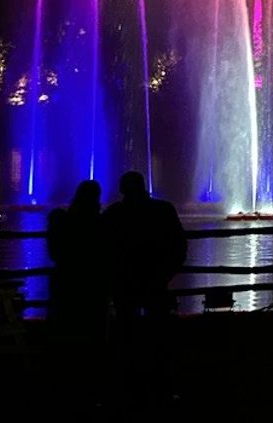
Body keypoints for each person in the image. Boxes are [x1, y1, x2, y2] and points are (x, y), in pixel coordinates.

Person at [102, 171, 187, 402]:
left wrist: (113, 275)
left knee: (125, 331)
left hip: (125, 283)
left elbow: (103, 248)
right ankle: (161, 385)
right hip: (155, 280)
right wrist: (168, 272)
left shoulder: (114, 214)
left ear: (122, 189)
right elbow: (179, 244)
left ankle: (127, 386)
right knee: (158, 332)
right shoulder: (163, 210)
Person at [46, 179, 109, 403]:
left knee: (65, 331)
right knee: (93, 333)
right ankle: (92, 386)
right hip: (93, 286)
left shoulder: (61, 220)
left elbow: (54, 252)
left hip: (66, 283)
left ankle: (62, 385)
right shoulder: (102, 224)